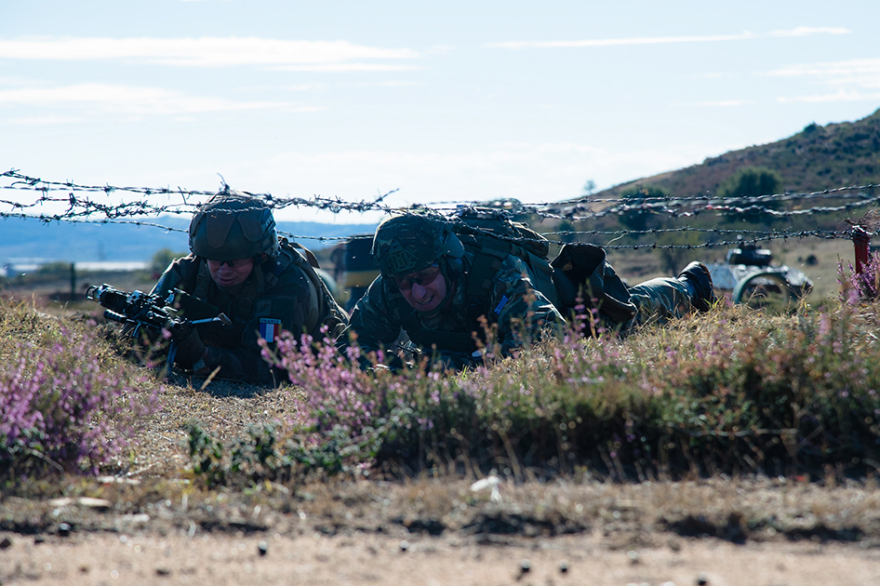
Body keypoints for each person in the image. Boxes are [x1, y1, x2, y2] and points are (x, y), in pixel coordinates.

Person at [338, 211, 715, 372]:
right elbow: (345, 350)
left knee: (631, 314)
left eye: (425, 276)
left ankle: (691, 284)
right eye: (405, 284)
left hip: (571, 314)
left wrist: (426, 369)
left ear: (449, 262)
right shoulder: (391, 286)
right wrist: (377, 370)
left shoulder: (497, 273)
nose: (416, 292)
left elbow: (541, 351)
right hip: (481, 345)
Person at [149, 192, 348, 386]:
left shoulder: (287, 284)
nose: (224, 270)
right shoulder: (187, 270)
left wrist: (202, 355)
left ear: (259, 257)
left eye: (234, 262)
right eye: (216, 261)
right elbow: (137, 329)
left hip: (326, 358)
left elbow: (270, 369)